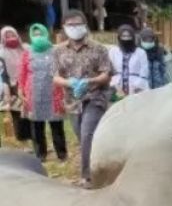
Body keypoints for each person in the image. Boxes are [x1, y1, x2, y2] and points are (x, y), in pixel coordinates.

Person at [53, 9, 111, 185]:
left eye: (78, 24)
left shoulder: (99, 48)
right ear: (64, 27)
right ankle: (102, 160)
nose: (74, 28)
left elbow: (106, 74)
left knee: (87, 134)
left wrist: (89, 81)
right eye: (70, 25)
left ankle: (88, 176)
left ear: (85, 25)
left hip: (95, 97)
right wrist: (69, 83)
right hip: (72, 101)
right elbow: (55, 76)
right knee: (83, 137)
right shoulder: (59, 51)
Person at [18, 23, 68, 162]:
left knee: (56, 125)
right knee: (37, 126)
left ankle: (62, 154)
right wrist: (21, 90)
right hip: (34, 93)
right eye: (35, 35)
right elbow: (22, 73)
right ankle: (41, 155)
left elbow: (62, 71)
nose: (38, 37)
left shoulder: (54, 51)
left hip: (54, 92)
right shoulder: (27, 53)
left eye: (40, 34)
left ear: (46, 34)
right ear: (31, 37)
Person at [1, 26, 30, 146]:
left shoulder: (25, 48)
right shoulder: (1, 52)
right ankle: (24, 142)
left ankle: (35, 141)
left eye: (13, 35)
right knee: (18, 115)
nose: (11, 38)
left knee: (30, 114)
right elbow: (2, 73)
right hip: (12, 87)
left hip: (28, 84)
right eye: (7, 36)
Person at [107, 24, 150, 101]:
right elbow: (110, 71)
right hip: (117, 88)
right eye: (123, 36)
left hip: (137, 89)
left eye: (128, 36)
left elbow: (144, 73)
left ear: (133, 37)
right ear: (119, 37)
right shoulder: (113, 51)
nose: (126, 39)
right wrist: (117, 89)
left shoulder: (141, 52)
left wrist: (135, 89)